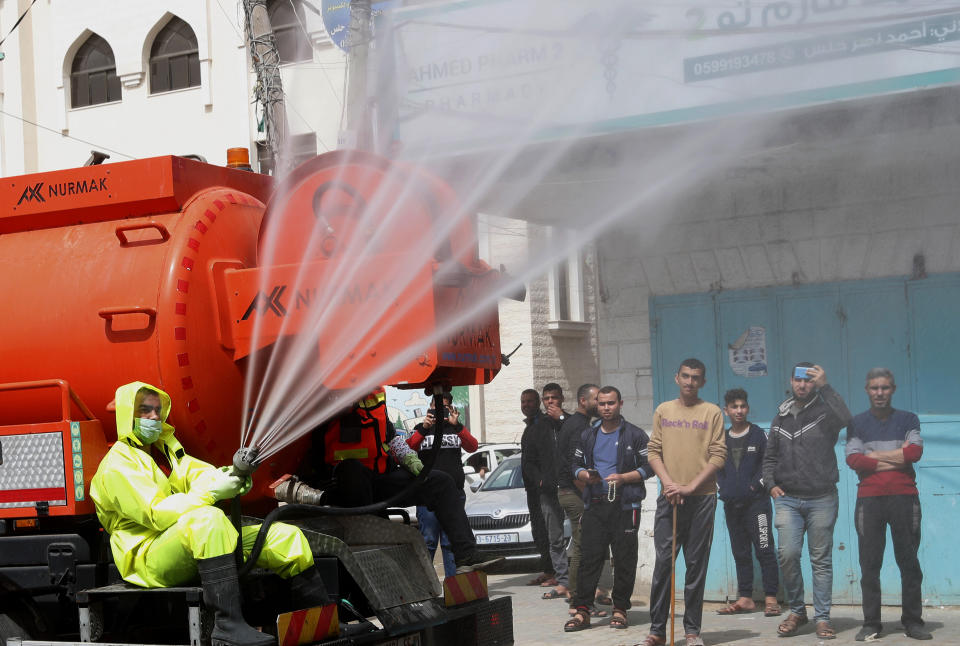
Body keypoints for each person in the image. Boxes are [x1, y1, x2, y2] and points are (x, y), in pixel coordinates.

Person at [91, 382, 330, 646]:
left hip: (183, 541)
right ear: (127, 415)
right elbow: (156, 514)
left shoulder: (166, 451)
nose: (154, 417)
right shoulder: (118, 465)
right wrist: (213, 493)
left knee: (286, 537)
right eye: (144, 410)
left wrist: (233, 476)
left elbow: (198, 473)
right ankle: (228, 626)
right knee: (209, 520)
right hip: (146, 556)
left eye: (158, 410)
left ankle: (318, 621)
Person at [309, 389, 499, 574]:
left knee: (441, 482)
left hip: (381, 480)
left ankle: (466, 555)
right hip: (346, 486)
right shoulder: (322, 398)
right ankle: (374, 544)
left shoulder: (375, 395)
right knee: (352, 469)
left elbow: (391, 437)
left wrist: (412, 461)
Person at [763, 363, 851, 640]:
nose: (803, 385)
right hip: (788, 499)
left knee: (820, 560)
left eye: (809, 381)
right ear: (791, 381)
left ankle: (823, 618)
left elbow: (847, 418)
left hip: (822, 498)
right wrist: (771, 484)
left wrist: (827, 386)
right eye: (798, 380)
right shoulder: (781, 416)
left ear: (815, 383)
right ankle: (798, 611)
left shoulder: (825, 413)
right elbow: (769, 458)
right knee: (787, 555)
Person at [641, 358, 726, 646]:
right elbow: (654, 451)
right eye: (686, 376)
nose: (690, 382)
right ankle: (656, 631)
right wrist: (668, 483)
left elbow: (718, 456)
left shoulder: (712, 412)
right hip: (670, 498)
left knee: (695, 565)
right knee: (664, 563)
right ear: (676, 378)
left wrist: (689, 487)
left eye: (696, 378)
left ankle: (692, 632)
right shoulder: (664, 410)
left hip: (701, 499)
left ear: (703, 382)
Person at [846, 368, 931, 641]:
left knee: (909, 562)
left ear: (893, 389)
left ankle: (913, 621)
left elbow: (915, 453)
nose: (879, 393)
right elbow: (854, 460)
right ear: (867, 390)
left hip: (904, 497)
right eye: (874, 388)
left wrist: (876, 455)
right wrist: (898, 455)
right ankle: (871, 623)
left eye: (884, 388)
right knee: (870, 564)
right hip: (868, 500)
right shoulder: (856, 423)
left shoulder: (908, 419)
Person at [563, 386, 649, 633]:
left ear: (620, 403)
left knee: (624, 559)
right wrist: (583, 475)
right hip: (595, 505)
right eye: (602, 404)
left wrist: (624, 477)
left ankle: (620, 609)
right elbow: (575, 465)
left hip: (625, 505)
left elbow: (649, 467)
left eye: (611, 403)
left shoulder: (635, 434)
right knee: (589, 559)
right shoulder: (588, 435)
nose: (606, 408)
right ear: (596, 405)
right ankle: (582, 611)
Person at [715, 388, 780, 617]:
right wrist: (722, 488)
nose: (739, 411)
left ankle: (771, 598)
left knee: (764, 549)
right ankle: (745, 598)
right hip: (732, 506)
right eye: (734, 407)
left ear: (748, 408)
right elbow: (716, 468)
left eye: (743, 406)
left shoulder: (759, 435)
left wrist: (755, 486)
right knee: (740, 552)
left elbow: (768, 464)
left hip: (757, 505)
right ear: (726, 411)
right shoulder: (720, 438)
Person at [406, 393, 479, 578]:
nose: (440, 411)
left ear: (450, 409)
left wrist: (458, 425)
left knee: (450, 542)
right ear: (430, 408)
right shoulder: (421, 429)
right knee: (428, 541)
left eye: (444, 408)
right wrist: (424, 428)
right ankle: (423, 585)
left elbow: (473, 446)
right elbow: (407, 450)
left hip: (453, 495)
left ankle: (454, 588)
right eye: (436, 407)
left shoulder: (455, 429)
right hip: (427, 494)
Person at [556, 383, 612, 617]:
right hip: (574, 493)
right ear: (583, 401)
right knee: (582, 548)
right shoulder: (579, 427)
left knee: (582, 547)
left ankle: (580, 599)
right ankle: (578, 602)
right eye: (596, 400)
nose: (600, 404)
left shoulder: (577, 424)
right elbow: (574, 466)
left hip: (572, 492)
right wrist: (591, 494)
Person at [526, 383, 571, 601]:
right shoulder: (538, 427)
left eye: (554, 397)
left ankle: (581, 580)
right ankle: (563, 580)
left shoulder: (571, 422)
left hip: (572, 488)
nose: (550, 402)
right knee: (555, 538)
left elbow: (581, 438)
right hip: (548, 491)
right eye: (547, 399)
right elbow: (529, 461)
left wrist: (561, 418)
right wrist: (540, 481)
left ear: (561, 398)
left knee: (583, 537)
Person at [519, 388, 554, 586]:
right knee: (538, 530)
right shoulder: (530, 425)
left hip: (543, 488)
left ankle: (555, 572)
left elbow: (547, 455)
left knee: (548, 531)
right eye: (523, 402)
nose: (526, 405)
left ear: (538, 402)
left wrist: (542, 480)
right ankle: (548, 570)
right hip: (532, 489)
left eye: (530, 401)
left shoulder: (544, 424)